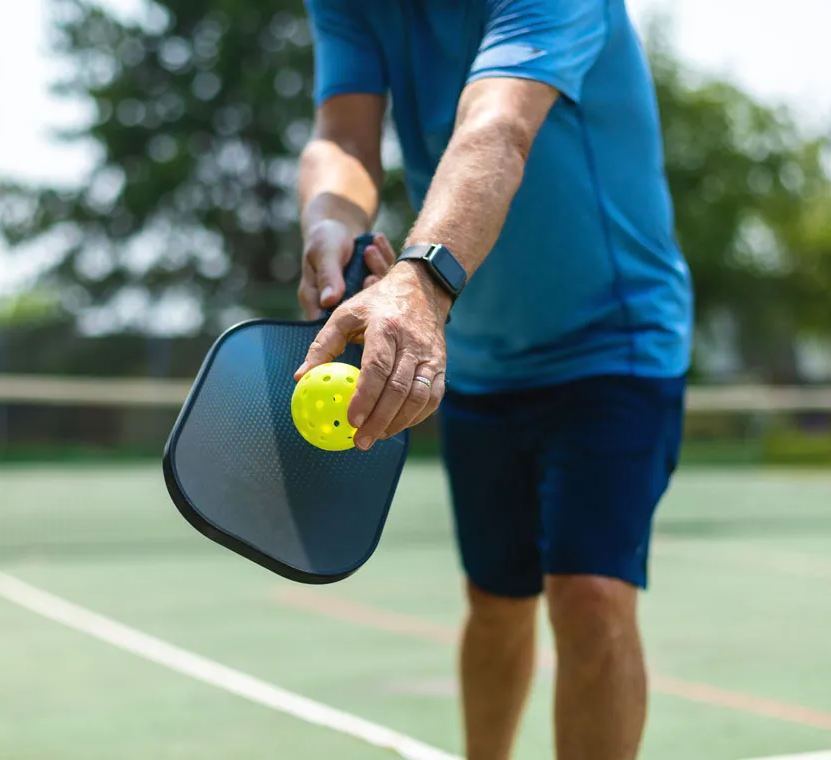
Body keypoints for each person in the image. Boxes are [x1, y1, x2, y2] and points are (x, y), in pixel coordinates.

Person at [293, 1, 693, 758]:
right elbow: (343, 135)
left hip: (614, 338)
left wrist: (420, 282)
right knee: (497, 599)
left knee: (591, 597)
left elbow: (496, 125)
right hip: (475, 349)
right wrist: (326, 219)